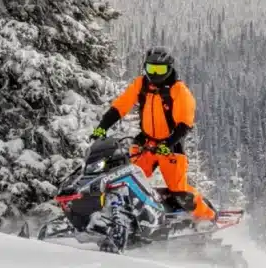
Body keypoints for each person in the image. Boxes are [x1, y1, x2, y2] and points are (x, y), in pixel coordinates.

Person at [90, 47, 217, 223]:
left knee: (179, 192)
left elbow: (184, 124)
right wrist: (102, 127)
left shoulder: (179, 90)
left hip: (171, 145)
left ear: (170, 68)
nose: (156, 74)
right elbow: (121, 105)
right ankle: (128, 217)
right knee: (125, 178)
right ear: (145, 68)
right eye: (151, 69)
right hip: (146, 143)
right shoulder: (140, 84)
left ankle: (209, 217)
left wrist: (168, 143)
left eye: (160, 70)